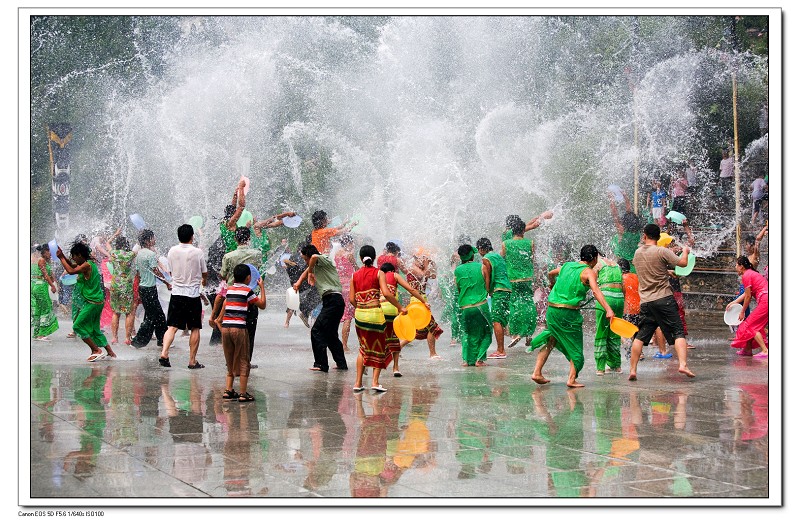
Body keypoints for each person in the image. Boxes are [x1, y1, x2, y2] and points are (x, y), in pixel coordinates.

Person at [529, 245, 614, 388]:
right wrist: (608, 309)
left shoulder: (567, 266)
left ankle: (536, 372)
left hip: (552, 310)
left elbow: (551, 273)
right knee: (576, 347)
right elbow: (596, 291)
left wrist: (552, 284)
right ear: (593, 259)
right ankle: (572, 379)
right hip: (568, 313)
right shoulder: (588, 272)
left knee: (551, 340)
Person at [628, 224, 695, 381]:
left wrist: (665, 272)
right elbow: (683, 264)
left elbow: (650, 269)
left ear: (645, 236)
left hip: (646, 302)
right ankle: (683, 364)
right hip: (664, 298)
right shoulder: (662, 251)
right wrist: (685, 252)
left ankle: (633, 370)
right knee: (678, 331)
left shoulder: (637, 253)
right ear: (658, 237)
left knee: (641, 336)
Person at [351, 245, 406, 393]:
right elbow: (387, 294)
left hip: (360, 315)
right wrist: (400, 307)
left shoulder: (354, 275)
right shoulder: (379, 273)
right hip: (375, 314)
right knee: (379, 347)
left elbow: (351, 299)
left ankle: (358, 383)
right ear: (374, 257)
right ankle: (375, 382)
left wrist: (362, 307)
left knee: (363, 348)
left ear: (361, 258)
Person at [214, 263, 267, 402]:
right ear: (249, 278)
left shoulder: (230, 290)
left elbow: (224, 305)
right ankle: (243, 393)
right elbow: (262, 305)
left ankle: (228, 390)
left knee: (230, 360)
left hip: (226, 328)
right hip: (239, 329)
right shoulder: (247, 291)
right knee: (244, 360)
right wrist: (261, 287)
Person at [56, 242, 116, 361]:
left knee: (77, 326)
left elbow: (71, 271)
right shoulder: (88, 264)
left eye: (74, 256)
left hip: (92, 303)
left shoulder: (87, 265)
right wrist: (63, 256)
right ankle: (111, 353)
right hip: (97, 301)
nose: (72, 258)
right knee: (95, 330)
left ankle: (96, 350)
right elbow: (73, 266)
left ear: (80, 255)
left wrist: (61, 258)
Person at [158, 224, 208, 369]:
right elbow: (204, 272)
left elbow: (172, 272)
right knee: (195, 328)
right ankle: (192, 361)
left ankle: (164, 353)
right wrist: (203, 280)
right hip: (192, 295)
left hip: (177, 293)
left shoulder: (172, 251)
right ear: (192, 236)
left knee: (172, 327)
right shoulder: (198, 252)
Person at [293, 244, 348, 373]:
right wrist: (299, 282)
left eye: (305, 259)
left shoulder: (324, 259)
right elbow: (307, 269)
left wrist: (311, 271)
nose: (306, 262)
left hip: (334, 300)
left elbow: (313, 257)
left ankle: (321, 364)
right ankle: (341, 363)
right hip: (333, 301)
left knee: (316, 330)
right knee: (331, 335)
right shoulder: (316, 265)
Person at [214, 227, 263, 368]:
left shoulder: (229, 256)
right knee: (249, 331)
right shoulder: (257, 254)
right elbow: (256, 271)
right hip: (250, 297)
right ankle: (246, 361)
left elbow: (223, 275)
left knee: (232, 327)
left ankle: (231, 361)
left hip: (233, 298)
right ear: (249, 238)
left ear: (235, 239)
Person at [378, 260, 429, 377]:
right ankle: (395, 368)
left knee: (378, 340)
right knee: (394, 340)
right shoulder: (394, 275)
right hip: (391, 311)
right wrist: (423, 301)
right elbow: (411, 289)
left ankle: (368, 365)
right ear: (391, 271)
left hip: (378, 311)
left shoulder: (377, 276)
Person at [399, 248, 443, 360]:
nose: (423, 262)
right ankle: (432, 354)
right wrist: (427, 264)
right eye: (422, 259)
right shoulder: (412, 268)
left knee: (415, 330)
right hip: (417, 301)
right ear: (416, 259)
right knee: (432, 327)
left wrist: (433, 264)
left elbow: (433, 275)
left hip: (420, 301)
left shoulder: (420, 268)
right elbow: (423, 275)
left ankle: (396, 348)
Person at [453, 245, 492, 367]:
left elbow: (458, 289)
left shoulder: (457, 270)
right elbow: (487, 287)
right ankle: (479, 360)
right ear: (472, 255)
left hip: (465, 307)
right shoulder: (482, 267)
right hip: (481, 306)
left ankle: (466, 360)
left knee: (467, 333)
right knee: (487, 331)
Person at [131, 229, 171, 348]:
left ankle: (162, 340)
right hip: (149, 289)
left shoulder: (139, 254)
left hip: (143, 288)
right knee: (152, 317)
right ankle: (138, 342)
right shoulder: (151, 254)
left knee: (156, 315)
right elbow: (155, 271)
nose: (155, 240)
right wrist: (166, 282)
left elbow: (138, 272)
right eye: (153, 238)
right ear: (147, 241)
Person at [501, 218, 536, 347]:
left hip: (512, 278)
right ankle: (529, 333)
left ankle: (515, 333)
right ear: (523, 230)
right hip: (527, 278)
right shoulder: (530, 243)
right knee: (528, 303)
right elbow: (532, 260)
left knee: (514, 304)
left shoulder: (506, 244)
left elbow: (503, 259)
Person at [476, 238, 511, 359]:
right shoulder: (498, 256)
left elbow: (488, 277)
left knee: (496, 320)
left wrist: (487, 291)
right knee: (500, 318)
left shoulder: (486, 259)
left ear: (481, 249)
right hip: (507, 288)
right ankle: (501, 348)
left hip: (498, 289)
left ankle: (501, 350)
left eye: (479, 249)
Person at [728, 257, 769, 357]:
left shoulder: (746, 275)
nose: (735, 267)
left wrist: (742, 311)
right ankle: (747, 349)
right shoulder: (750, 273)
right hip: (766, 300)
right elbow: (746, 294)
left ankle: (765, 351)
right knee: (752, 325)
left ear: (741, 266)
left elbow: (748, 296)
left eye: (736, 265)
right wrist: (734, 302)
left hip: (766, 301)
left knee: (750, 325)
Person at [592, 254, 624, 375]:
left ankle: (600, 367)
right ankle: (616, 366)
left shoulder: (597, 264)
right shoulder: (616, 265)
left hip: (606, 298)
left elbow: (592, 284)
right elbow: (623, 286)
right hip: (619, 299)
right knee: (615, 331)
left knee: (602, 331)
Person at [106, 233, 136, 345]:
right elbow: (138, 247)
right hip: (127, 286)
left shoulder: (114, 253)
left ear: (117, 245)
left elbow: (107, 243)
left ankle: (114, 337)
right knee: (128, 312)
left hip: (115, 286)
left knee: (116, 312)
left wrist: (115, 234)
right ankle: (127, 338)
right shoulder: (130, 255)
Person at [335, 234, 358, 351]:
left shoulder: (337, 253)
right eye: (352, 243)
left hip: (339, 286)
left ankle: (334, 342)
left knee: (339, 315)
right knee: (348, 317)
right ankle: (344, 345)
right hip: (349, 287)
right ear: (348, 243)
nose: (353, 245)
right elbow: (357, 269)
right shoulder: (349, 255)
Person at [31, 244, 59, 340]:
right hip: (41, 287)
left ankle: (37, 333)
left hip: (37, 286)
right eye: (50, 251)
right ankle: (41, 334)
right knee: (45, 308)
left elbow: (50, 274)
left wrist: (55, 283)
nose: (51, 254)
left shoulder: (43, 260)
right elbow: (46, 275)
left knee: (39, 309)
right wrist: (52, 286)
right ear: (45, 251)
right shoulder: (41, 260)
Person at [609, 191, 641, 273]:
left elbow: (615, 215)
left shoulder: (622, 232)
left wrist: (611, 200)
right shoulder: (637, 233)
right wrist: (626, 197)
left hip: (622, 264)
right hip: (633, 265)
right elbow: (630, 213)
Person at [618, 259, 642, 361]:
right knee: (636, 332)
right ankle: (640, 354)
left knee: (622, 333)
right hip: (638, 308)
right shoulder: (636, 277)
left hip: (626, 309)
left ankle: (629, 350)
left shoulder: (620, 279)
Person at [219, 179, 247, 253]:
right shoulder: (231, 223)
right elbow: (241, 206)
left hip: (228, 252)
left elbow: (233, 206)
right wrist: (241, 188)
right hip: (233, 252)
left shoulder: (225, 221)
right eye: (235, 213)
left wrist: (235, 194)